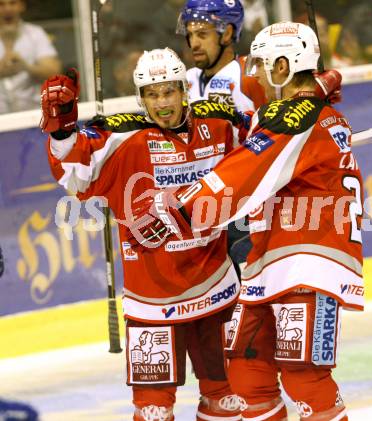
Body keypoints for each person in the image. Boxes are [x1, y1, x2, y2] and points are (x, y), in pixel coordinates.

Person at [128, 22, 361, 421]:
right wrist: (318, 90)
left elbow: (242, 173)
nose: (252, 73)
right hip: (270, 264)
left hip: (307, 261)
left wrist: (179, 208)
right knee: (246, 371)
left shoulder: (296, 117)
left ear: (284, 66)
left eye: (261, 64)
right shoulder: (303, 112)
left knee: (305, 377)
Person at [41, 48, 249, 421]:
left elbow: (265, 140)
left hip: (216, 288)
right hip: (152, 302)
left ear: (185, 89)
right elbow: (74, 172)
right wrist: (63, 129)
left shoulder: (220, 122)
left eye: (169, 91)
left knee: (227, 399)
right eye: (152, 94)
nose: (162, 103)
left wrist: (307, 101)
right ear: (141, 98)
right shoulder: (123, 135)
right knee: (153, 411)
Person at [176, 0, 267, 275]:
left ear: (227, 33)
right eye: (191, 34)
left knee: (251, 297)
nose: (194, 43)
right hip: (198, 209)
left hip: (243, 207)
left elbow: (281, 126)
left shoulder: (251, 76)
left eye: (202, 34)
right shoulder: (182, 80)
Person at [0, 0, 61, 113]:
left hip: (32, 116)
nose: (7, 9)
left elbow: (54, 72)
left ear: (21, 6)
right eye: (1, 4)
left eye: (12, 3)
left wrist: (27, 67)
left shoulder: (35, 33)